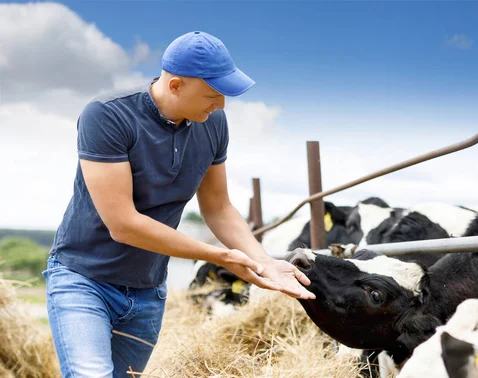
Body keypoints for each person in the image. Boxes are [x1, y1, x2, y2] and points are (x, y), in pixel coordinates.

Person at [43, 30, 315, 378]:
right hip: (84, 279)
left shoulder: (213, 123)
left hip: (146, 290)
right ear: (175, 86)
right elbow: (122, 224)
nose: (221, 105)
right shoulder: (107, 115)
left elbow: (218, 208)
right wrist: (220, 256)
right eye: (212, 95)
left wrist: (262, 261)